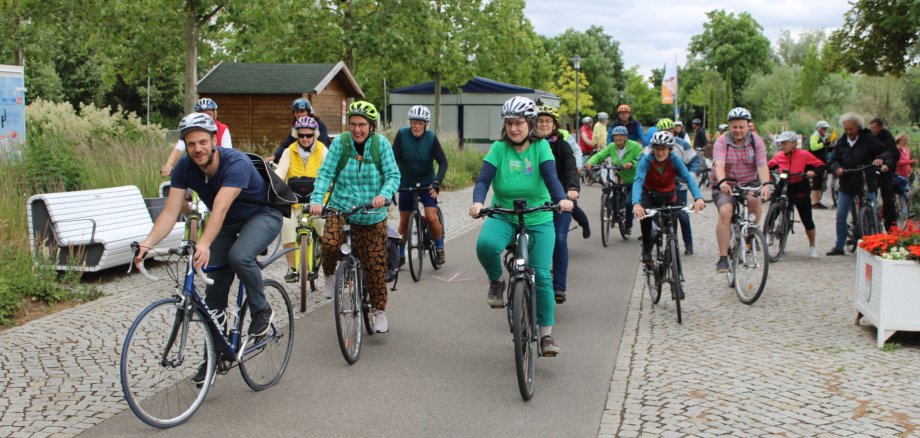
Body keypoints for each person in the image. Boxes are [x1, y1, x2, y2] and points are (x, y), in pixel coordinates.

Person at [136, 113, 282, 384]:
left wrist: (203, 244)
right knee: (213, 290)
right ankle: (214, 357)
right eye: (191, 144)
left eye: (203, 142)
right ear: (185, 146)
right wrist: (147, 244)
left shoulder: (234, 162)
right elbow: (169, 214)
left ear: (214, 140)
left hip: (261, 215)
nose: (198, 149)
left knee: (239, 256)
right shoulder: (184, 167)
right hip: (225, 222)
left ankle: (261, 310)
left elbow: (221, 207)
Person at [469, 96, 573, 356]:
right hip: (504, 213)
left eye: (519, 123)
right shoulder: (498, 148)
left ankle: (546, 335)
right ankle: (496, 282)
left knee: (543, 276)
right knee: (486, 245)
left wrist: (561, 199)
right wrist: (478, 202)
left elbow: (550, 176)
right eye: (509, 123)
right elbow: (483, 180)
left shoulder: (541, 148)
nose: (514, 128)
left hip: (538, 216)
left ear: (530, 123)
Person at [308, 101, 400, 332]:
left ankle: (378, 311)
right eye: (353, 125)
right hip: (341, 207)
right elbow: (325, 174)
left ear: (371, 126)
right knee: (329, 243)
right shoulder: (340, 144)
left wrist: (384, 194)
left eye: (362, 125)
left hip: (371, 212)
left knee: (375, 265)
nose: (357, 129)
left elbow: (392, 175)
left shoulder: (381, 145)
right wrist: (317, 200)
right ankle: (330, 276)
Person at [711, 107, 772, 272]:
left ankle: (750, 232)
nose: (737, 130)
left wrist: (766, 184)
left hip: (748, 182)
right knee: (726, 212)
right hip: (726, 183)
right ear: (729, 127)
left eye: (741, 127)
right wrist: (722, 181)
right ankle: (723, 258)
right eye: (734, 127)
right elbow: (719, 163)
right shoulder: (722, 141)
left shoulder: (756, 141)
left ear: (748, 126)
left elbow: (761, 165)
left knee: (754, 200)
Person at [632, 131, 705, 266]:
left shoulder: (675, 160)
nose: (660, 152)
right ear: (652, 148)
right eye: (657, 148)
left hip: (669, 196)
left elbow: (688, 178)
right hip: (649, 196)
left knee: (672, 232)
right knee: (645, 218)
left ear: (670, 150)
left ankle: (676, 273)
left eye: (663, 149)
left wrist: (698, 198)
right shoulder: (646, 161)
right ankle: (647, 250)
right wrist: (636, 203)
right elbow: (638, 181)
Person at [826, 113, 892, 255]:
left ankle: (873, 242)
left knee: (871, 213)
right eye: (846, 129)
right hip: (847, 182)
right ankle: (839, 245)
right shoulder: (842, 142)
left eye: (851, 129)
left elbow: (887, 151)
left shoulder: (868, 139)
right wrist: (837, 168)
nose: (849, 132)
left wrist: (880, 159)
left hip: (867, 181)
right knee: (841, 215)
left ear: (858, 127)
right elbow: (832, 160)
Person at [273, 116, 329, 284]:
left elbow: (329, 173)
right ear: (296, 134)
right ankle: (292, 268)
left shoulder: (323, 150)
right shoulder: (289, 151)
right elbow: (280, 172)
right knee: (287, 225)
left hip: (318, 200)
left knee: (324, 226)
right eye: (301, 135)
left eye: (309, 135)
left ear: (315, 135)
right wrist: (274, 187)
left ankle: (328, 266)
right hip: (295, 201)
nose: (305, 139)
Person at [392, 105, 448, 266]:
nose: (417, 126)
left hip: (427, 184)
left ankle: (439, 247)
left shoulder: (431, 138)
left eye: (420, 123)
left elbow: (443, 162)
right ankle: (401, 254)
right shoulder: (402, 135)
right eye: (414, 122)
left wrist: (437, 181)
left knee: (431, 217)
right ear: (410, 123)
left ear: (426, 124)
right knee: (404, 222)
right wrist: (391, 182)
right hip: (406, 183)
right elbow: (392, 160)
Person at [535, 105, 580, 304]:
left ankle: (559, 287)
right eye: (540, 121)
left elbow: (571, 168)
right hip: (535, 199)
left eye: (548, 121)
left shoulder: (562, 145)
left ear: (554, 125)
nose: (544, 124)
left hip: (559, 199)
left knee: (560, 239)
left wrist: (572, 188)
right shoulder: (529, 144)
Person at [767, 131, 825, 258]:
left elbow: (820, 165)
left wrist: (812, 172)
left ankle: (812, 246)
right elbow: (769, 165)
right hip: (784, 185)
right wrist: (767, 170)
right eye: (781, 143)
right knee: (773, 208)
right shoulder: (779, 155)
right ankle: (769, 233)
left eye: (785, 143)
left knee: (807, 219)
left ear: (793, 144)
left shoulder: (804, 154)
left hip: (800, 186)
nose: (782, 145)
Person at [653, 118, 701, 255]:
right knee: (660, 215)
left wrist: (691, 175)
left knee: (682, 215)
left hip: (680, 187)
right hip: (660, 187)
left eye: (668, 131)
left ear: (673, 130)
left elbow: (695, 161)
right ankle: (665, 242)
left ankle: (688, 243)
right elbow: (642, 161)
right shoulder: (653, 146)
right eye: (662, 131)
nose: (666, 133)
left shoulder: (682, 145)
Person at [585, 125, 643, 236]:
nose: (618, 142)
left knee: (628, 202)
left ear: (626, 138)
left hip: (634, 179)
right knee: (613, 190)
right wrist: (590, 162)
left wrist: (632, 164)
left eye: (620, 140)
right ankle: (615, 211)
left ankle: (628, 225)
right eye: (616, 140)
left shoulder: (635, 146)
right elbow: (601, 155)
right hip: (620, 177)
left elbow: (642, 160)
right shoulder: (612, 146)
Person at [160, 98, 232, 177]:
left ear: (215, 114)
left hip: (217, 170)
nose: (205, 117)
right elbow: (179, 148)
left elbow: (227, 152)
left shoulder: (222, 129)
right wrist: (168, 165)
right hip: (198, 168)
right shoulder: (191, 129)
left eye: (209, 114)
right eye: (201, 114)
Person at [269, 98, 331, 164]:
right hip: (302, 158)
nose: (298, 114)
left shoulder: (320, 125)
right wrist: (274, 156)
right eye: (296, 112)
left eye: (302, 111)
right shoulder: (296, 127)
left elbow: (321, 145)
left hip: (322, 158)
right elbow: (286, 145)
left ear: (308, 112)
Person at [869, 118, 900, 231]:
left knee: (887, 198)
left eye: (874, 128)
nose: (872, 130)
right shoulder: (869, 136)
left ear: (880, 127)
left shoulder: (887, 137)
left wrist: (887, 164)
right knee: (866, 194)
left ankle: (891, 228)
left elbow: (894, 154)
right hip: (871, 168)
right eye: (871, 128)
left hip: (885, 169)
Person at [809, 121, 833, 209]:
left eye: (826, 129)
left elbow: (824, 149)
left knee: (819, 182)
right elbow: (813, 147)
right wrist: (823, 144)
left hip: (822, 163)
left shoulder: (822, 137)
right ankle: (814, 202)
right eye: (823, 128)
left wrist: (829, 147)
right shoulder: (814, 136)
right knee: (816, 182)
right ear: (818, 128)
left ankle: (817, 201)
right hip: (815, 163)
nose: (825, 130)